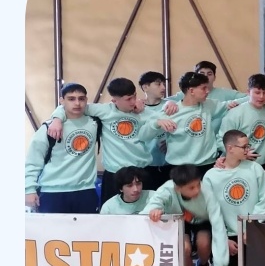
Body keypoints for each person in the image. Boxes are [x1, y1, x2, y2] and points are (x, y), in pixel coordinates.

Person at [45, 77, 165, 206]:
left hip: (141, 171)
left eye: (134, 96)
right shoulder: (104, 110)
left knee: (147, 212)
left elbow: (162, 119)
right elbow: (71, 107)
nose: (133, 101)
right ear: (114, 100)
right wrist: (57, 119)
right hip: (115, 174)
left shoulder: (143, 112)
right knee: (111, 213)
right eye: (128, 99)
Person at [141, 164, 228, 266]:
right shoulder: (167, 189)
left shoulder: (207, 193)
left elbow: (218, 226)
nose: (197, 190)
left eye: (198, 185)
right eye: (191, 188)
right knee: (184, 248)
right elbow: (151, 207)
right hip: (181, 220)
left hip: (203, 221)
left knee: (203, 243)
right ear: (178, 188)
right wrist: (154, 211)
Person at [204, 130, 265, 266]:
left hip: (253, 230)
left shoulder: (256, 169)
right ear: (230, 148)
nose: (248, 149)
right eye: (244, 147)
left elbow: (264, 202)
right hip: (228, 236)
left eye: (248, 146)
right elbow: (211, 212)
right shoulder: (211, 176)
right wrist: (224, 239)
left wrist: (251, 228)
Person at [148, 71, 242, 178]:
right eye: (203, 88)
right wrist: (157, 123)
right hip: (180, 167)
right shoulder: (171, 110)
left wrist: (253, 96)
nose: (207, 91)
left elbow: (235, 103)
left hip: (208, 164)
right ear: (191, 90)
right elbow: (143, 135)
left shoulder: (209, 105)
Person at [25, 83, 100, 214]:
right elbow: (33, 161)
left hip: (85, 191)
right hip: (52, 191)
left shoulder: (95, 122)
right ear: (62, 100)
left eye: (81, 99)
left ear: (86, 100)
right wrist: (29, 189)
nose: (77, 103)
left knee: (87, 228)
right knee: (51, 228)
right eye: (71, 99)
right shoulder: (48, 128)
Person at [217, 73, 265, 171]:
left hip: (262, 165)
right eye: (257, 93)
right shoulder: (235, 113)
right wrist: (241, 153)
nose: (261, 97)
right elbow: (221, 141)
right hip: (238, 166)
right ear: (248, 92)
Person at [167, 61, 248, 135]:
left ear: (214, 77)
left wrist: (234, 105)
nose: (205, 76)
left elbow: (248, 98)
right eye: (201, 73)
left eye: (209, 74)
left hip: (216, 138)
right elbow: (165, 102)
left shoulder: (220, 97)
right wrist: (169, 103)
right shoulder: (186, 94)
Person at [139, 71, 172, 188]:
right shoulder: (137, 109)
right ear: (145, 87)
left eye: (164, 83)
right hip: (145, 166)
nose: (163, 87)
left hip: (169, 164)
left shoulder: (170, 106)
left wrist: (172, 144)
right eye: (158, 84)